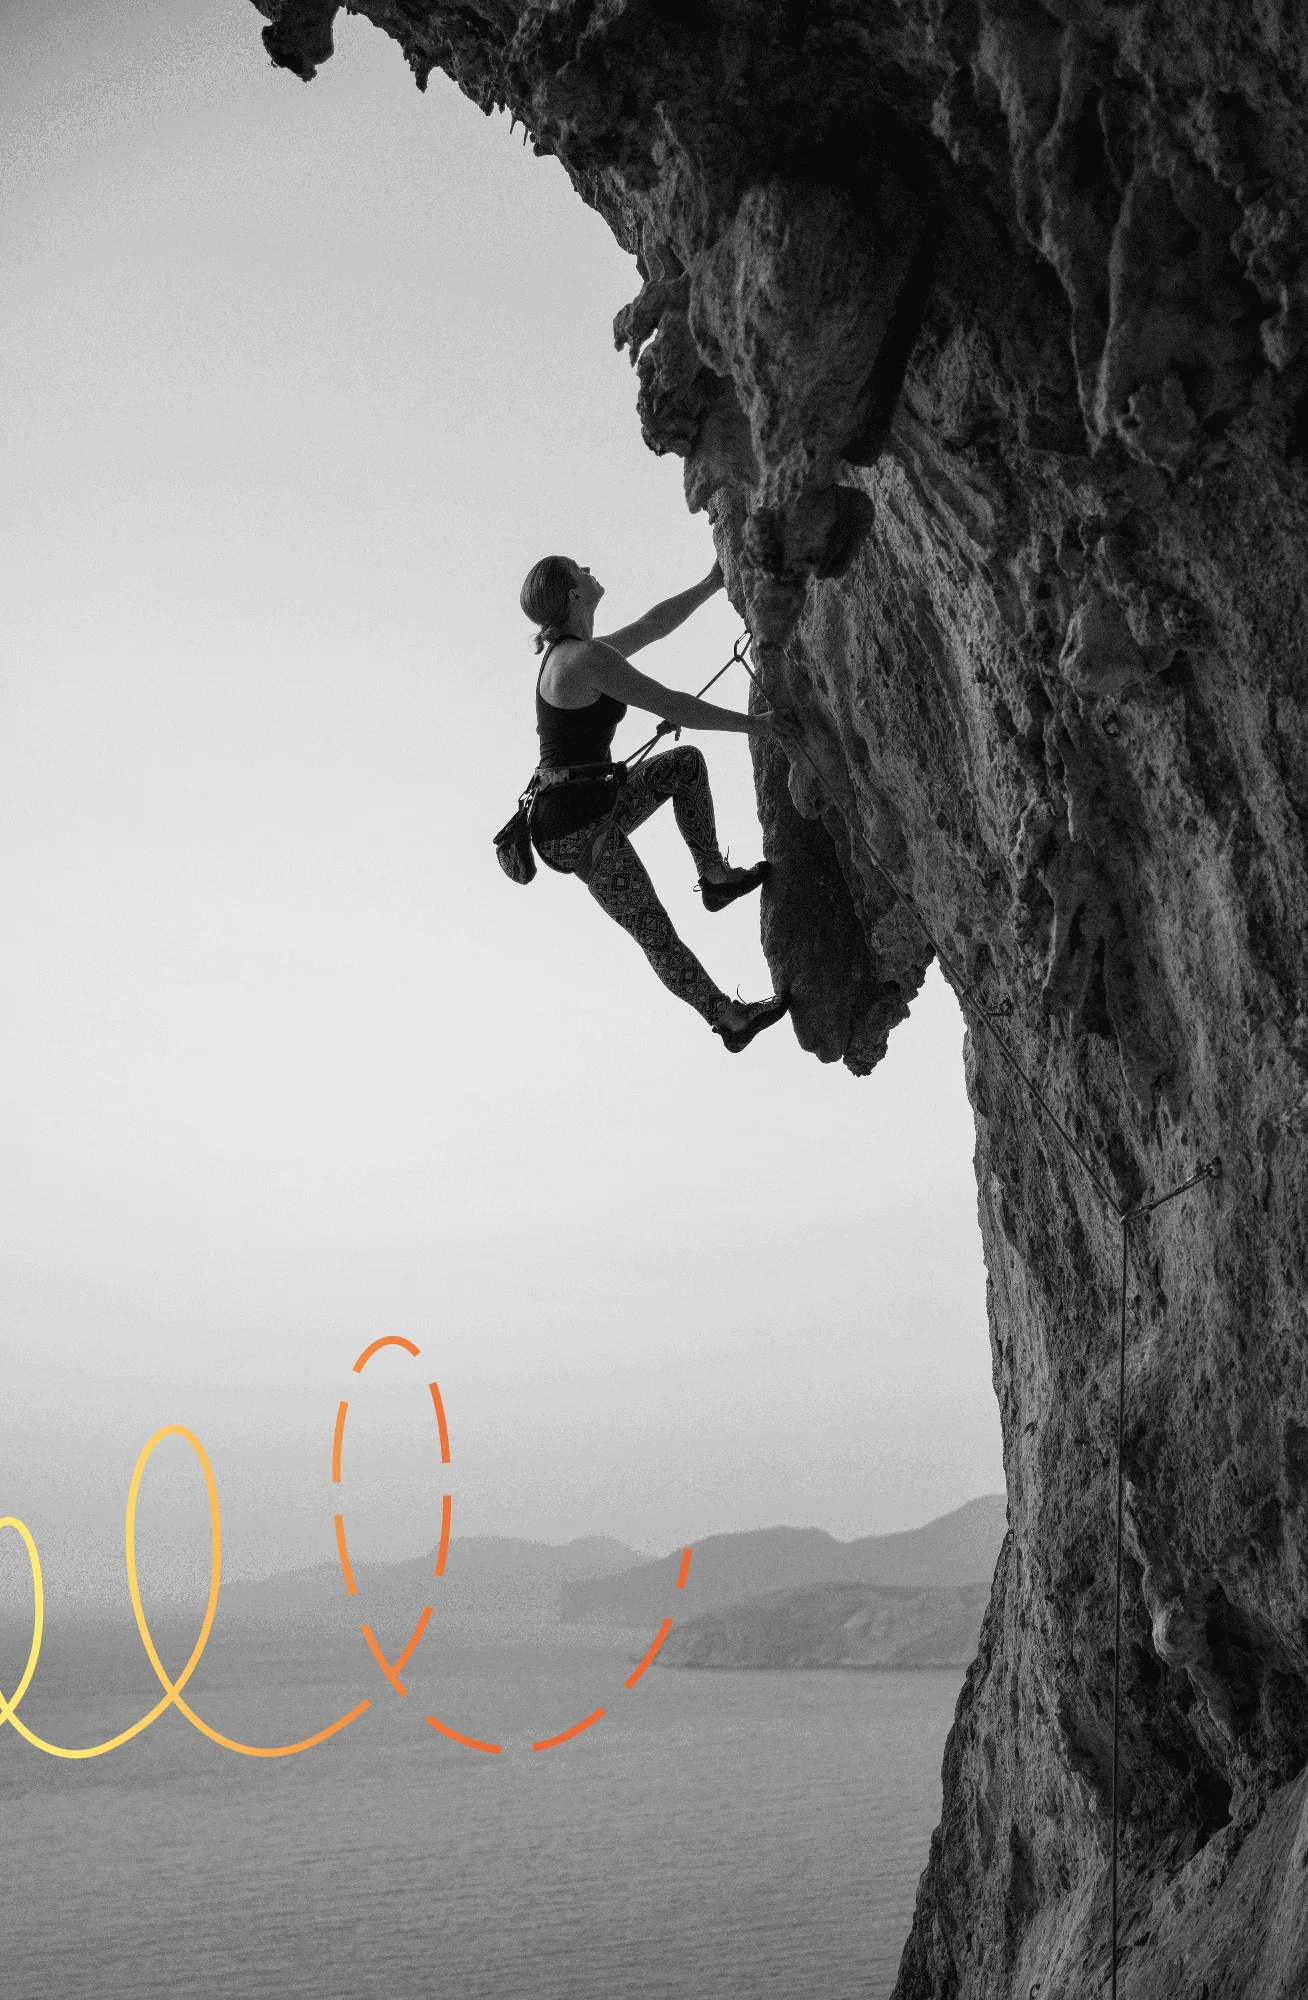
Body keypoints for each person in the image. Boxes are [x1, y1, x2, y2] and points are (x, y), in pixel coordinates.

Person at [520, 553, 790, 1053]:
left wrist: (712, 581)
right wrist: (758, 725)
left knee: (682, 763)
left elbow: (652, 626)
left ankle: (714, 877)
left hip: (591, 804)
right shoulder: (580, 661)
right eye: (580, 569)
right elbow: (672, 703)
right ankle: (727, 1018)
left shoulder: (580, 651)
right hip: (572, 830)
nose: (590, 569)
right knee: (654, 928)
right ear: (572, 593)